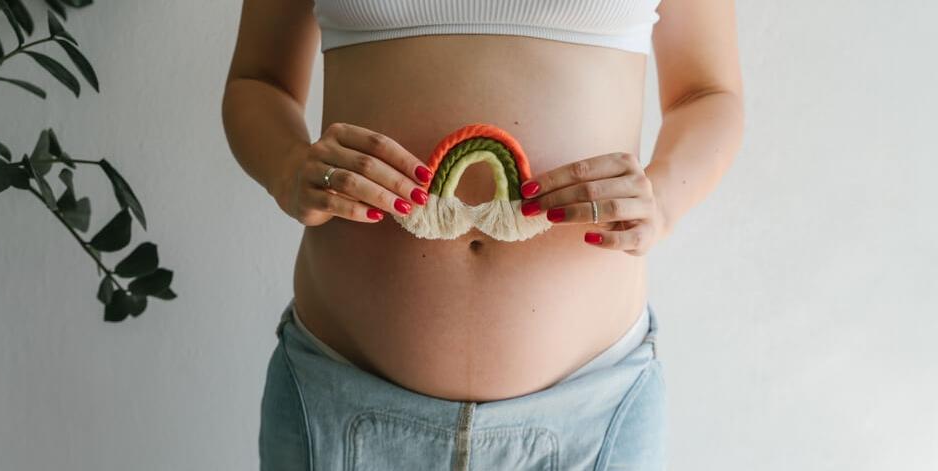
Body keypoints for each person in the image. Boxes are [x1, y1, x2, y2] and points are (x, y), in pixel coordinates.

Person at [221, 0, 744, 469]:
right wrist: (289, 167)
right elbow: (259, 80)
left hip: (593, 416)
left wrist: (664, 197)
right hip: (340, 401)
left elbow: (708, 92)